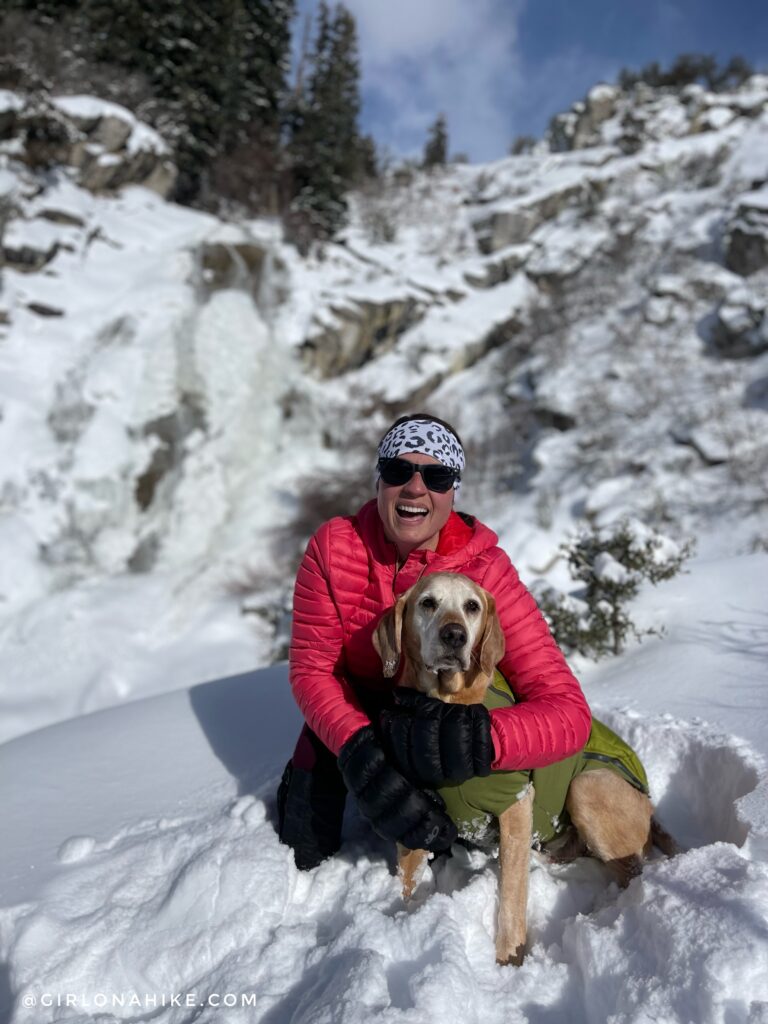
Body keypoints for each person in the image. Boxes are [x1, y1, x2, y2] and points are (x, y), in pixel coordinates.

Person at [277, 413, 592, 870]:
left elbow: (568, 711)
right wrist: (360, 750)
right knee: (301, 846)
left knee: (445, 829)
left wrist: (483, 740)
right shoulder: (333, 547)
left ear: (452, 492)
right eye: (398, 470)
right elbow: (314, 670)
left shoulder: (488, 572)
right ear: (379, 480)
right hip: (359, 718)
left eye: (438, 476)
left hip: (440, 718)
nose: (415, 488)